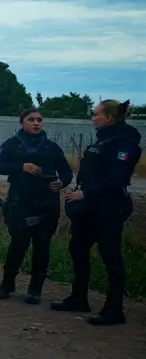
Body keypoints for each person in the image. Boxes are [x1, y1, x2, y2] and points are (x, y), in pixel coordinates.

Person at [53, 99, 142, 326]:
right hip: (91, 209)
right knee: (78, 248)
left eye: (95, 114)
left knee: (111, 256)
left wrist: (86, 194)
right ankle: (79, 298)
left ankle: (114, 310)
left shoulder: (125, 142)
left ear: (109, 118)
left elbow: (118, 178)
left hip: (110, 208)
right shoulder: (105, 139)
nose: (92, 118)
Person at [0, 109, 73, 304]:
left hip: (46, 204)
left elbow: (66, 171)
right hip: (21, 203)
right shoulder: (13, 144)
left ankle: (35, 290)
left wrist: (62, 183)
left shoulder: (51, 147)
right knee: (18, 245)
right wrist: (21, 167)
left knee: (42, 247)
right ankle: (7, 284)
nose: (36, 123)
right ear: (22, 123)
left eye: (39, 120)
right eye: (31, 120)